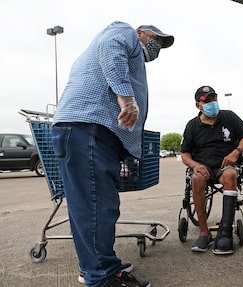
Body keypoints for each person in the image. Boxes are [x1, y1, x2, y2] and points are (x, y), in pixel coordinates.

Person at [52, 21, 174, 287]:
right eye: (156, 39)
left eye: (162, 45)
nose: (158, 47)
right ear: (141, 33)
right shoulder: (124, 32)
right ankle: (104, 277)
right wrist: (126, 98)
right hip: (90, 129)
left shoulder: (133, 57)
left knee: (88, 207)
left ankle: (93, 267)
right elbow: (110, 46)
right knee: (98, 207)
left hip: (88, 132)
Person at [180, 85, 243, 255]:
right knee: (197, 179)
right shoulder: (192, 126)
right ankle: (204, 233)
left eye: (214, 99)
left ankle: (225, 233)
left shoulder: (229, 117)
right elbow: (185, 155)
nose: (212, 103)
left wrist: (237, 152)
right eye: (207, 101)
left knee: (229, 176)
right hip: (203, 167)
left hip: (225, 166)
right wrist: (195, 166)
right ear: (198, 105)